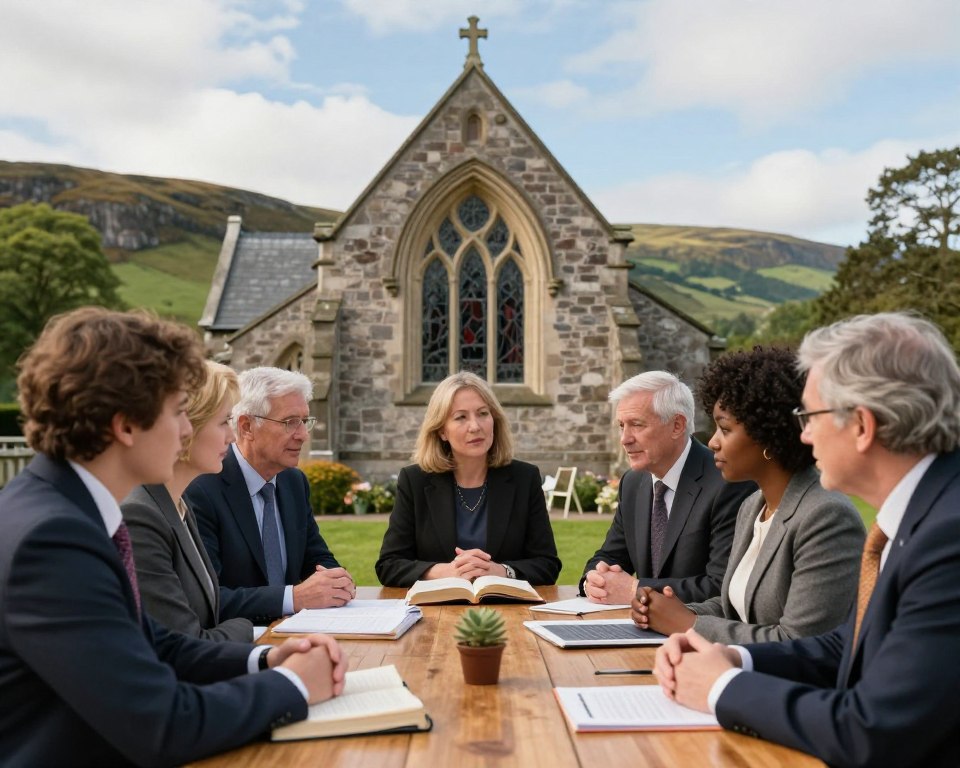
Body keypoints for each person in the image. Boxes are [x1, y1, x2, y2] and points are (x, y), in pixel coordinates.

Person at [0, 307, 345, 766]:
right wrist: (295, 686)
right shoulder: (53, 540)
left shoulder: (66, 510)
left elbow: (155, 643)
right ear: (125, 426)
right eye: (179, 411)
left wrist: (265, 662)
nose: (187, 429)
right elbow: (160, 724)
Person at [654, 313, 960, 767]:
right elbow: (847, 644)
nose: (802, 434)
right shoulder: (924, 512)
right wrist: (734, 658)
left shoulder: (947, 536)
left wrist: (721, 688)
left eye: (811, 416)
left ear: (861, 425)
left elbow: (873, 731)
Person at [631, 347, 864, 643]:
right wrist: (666, 610)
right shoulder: (753, 507)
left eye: (725, 429)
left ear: (769, 434)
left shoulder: (826, 517)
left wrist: (689, 624)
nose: (713, 442)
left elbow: (801, 642)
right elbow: (735, 608)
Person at [185, 367, 355, 623]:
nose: (303, 435)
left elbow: (315, 555)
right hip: (237, 646)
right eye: (290, 422)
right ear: (246, 427)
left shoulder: (293, 481)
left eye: (305, 421)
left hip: (293, 635)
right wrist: (293, 598)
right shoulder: (202, 488)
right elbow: (208, 598)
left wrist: (335, 579)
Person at [581, 371, 754, 604]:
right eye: (621, 426)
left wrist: (636, 589)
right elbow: (610, 556)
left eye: (636, 425)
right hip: (640, 630)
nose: (624, 438)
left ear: (677, 426)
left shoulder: (728, 483)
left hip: (696, 634)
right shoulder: (632, 483)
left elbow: (722, 585)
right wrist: (593, 581)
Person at [375, 371, 561, 587]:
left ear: (494, 420)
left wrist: (500, 571)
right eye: (461, 417)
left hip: (507, 610)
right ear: (442, 431)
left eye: (483, 413)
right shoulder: (415, 480)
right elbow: (389, 565)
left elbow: (547, 564)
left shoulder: (524, 478)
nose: (475, 426)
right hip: (435, 612)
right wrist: (445, 571)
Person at [121, 360, 253, 641]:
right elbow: (185, 644)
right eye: (223, 422)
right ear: (188, 425)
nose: (232, 436)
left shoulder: (178, 504)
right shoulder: (140, 514)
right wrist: (244, 627)